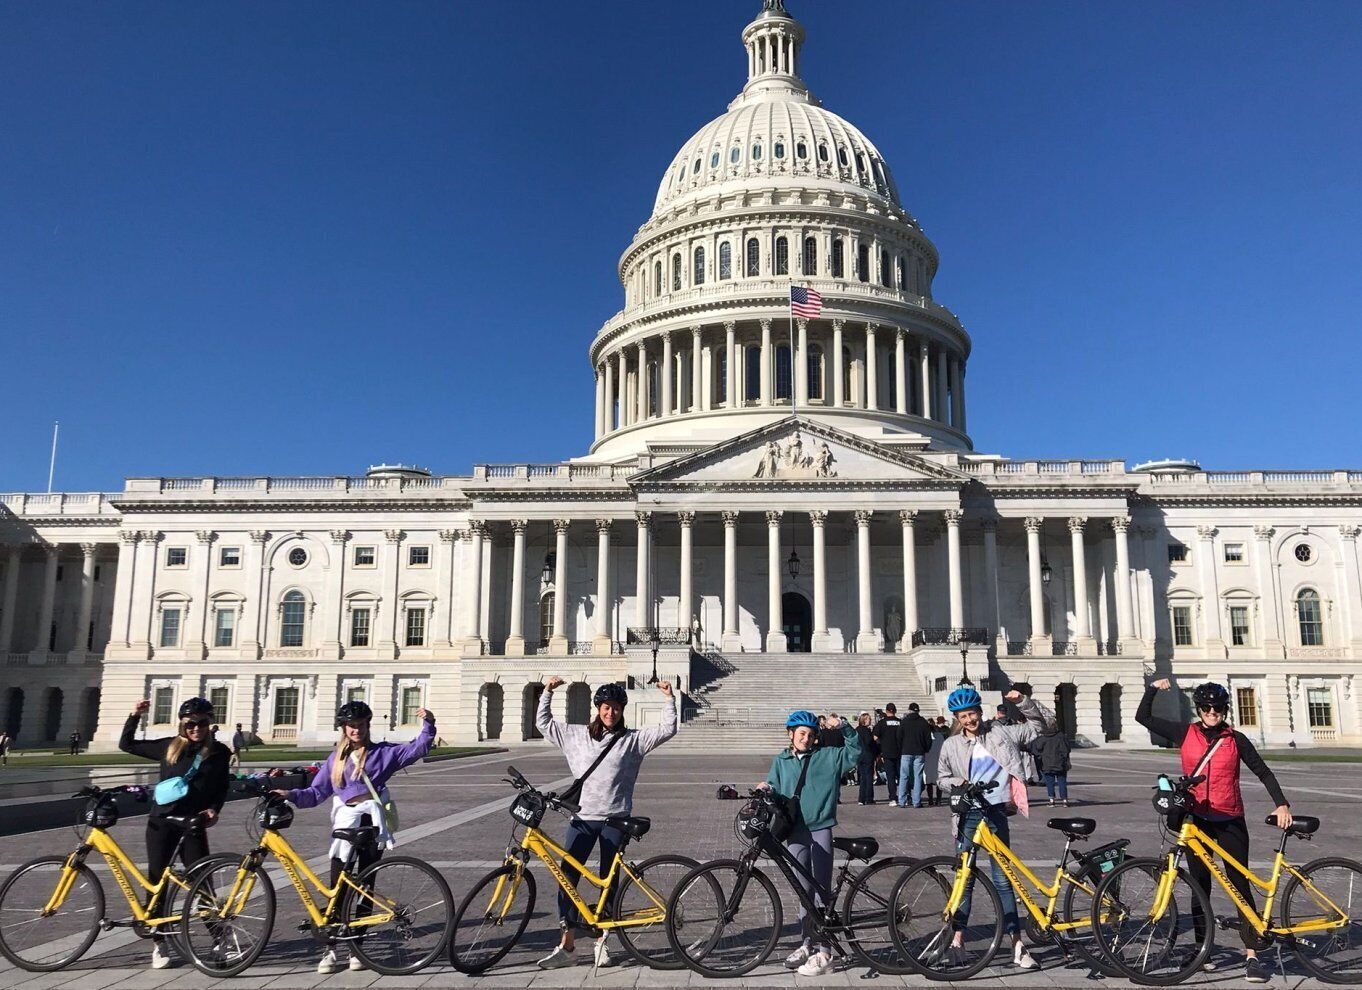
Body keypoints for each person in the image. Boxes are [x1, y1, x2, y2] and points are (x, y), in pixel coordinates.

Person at [1137, 678, 1291, 985]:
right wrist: (1153, 688)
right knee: (1199, 885)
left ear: (1225, 710)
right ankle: (1201, 950)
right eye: (1206, 707)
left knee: (1239, 883)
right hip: (1197, 818)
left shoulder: (1236, 739)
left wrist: (1281, 804)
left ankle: (1252, 954)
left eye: (1217, 708)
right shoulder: (1186, 732)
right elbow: (1144, 717)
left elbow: (1262, 770)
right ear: (1199, 709)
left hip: (1230, 817)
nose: (1212, 712)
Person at [274, 700, 435, 974]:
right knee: (338, 886)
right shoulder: (335, 760)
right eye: (351, 726)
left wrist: (428, 723)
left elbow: (417, 748)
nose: (356, 730)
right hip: (345, 826)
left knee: (364, 888)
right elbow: (316, 793)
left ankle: (357, 947)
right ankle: (331, 948)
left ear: (368, 726)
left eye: (360, 725)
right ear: (343, 729)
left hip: (370, 825)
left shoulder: (383, 754)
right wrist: (290, 796)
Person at [536, 677, 677, 970]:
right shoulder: (576, 735)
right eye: (605, 707)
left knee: (608, 881)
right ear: (597, 708)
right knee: (567, 881)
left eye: (614, 708)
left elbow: (667, 729)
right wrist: (548, 692)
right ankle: (568, 944)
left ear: (622, 710)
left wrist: (669, 699)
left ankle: (603, 942)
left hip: (616, 819)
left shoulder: (632, 740)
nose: (610, 712)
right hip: (583, 819)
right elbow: (545, 723)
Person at [934, 685, 1056, 970]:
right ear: (956, 718)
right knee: (964, 881)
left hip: (996, 812)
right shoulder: (951, 745)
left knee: (1003, 880)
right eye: (963, 716)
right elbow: (941, 777)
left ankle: (1017, 943)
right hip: (968, 816)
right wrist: (957, 785)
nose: (969, 720)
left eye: (972, 714)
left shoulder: (1002, 732)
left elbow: (1039, 726)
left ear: (980, 711)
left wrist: (1023, 702)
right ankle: (958, 939)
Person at [120, 697, 231, 970]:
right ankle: (159, 941)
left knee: (201, 881)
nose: (196, 728)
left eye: (202, 723)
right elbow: (127, 744)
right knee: (157, 879)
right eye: (191, 723)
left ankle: (219, 937)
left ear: (209, 724)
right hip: (161, 821)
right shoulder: (168, 746)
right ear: (183, 724)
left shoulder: (218, 752)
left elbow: (221, 787)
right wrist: (135, 715)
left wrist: (214, 809)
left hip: (192, 822)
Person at [766, 710, 861, 977]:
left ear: (816, 737)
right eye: (801, 734)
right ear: (790, 734)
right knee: (802, 889)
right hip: (795, 832)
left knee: (821, 889)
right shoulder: (782, 760)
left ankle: (826, 949)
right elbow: (774, 785)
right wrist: (766, 788)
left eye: (810, 735)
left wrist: (844, 727)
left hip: (820, 829)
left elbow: (855, 753)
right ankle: (806, 943)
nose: (806, 739)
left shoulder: (828, 757)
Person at [897, 702, 935, 809]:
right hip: (919, 752)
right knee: (918, 777)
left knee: (904, 776)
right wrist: (926, 749)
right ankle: (916, 801)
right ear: (918, 711)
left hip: (906, 751)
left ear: (909, 710)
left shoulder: (904, 721)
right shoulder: (923, 722)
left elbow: (898, 736)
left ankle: (902, 800)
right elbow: (928, 739)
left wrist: (902, 748)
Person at [1028, 721, 1072, 806]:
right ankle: (1065, 800)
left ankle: (1052, 800)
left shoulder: (1043, 738)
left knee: (1050, 782)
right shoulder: (1061, 737)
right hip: (1060, 763)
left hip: (1047, 763)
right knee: (1062, 782)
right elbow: (1066, 749)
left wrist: (1041, 755)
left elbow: (1037, 747)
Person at [872, 703, 902, 806]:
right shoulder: (900, 722)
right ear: (895, 711)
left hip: (887, 752)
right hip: (899, 752)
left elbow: (875, 737)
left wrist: (882, 742)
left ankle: (893, 798)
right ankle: (905, 796)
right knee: (902, 776)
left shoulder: (882, 723)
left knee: (891, 777)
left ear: (887, 711)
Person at [855, 712, 878, 805]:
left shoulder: (857, 730)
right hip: (868, 755)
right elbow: (869, 741)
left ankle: (861, 798)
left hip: (860, 755)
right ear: (865, 720)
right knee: (868, 777)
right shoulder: (866, 730)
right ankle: (869, 798)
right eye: (869, 719)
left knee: (862, 777)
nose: (870, 721)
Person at [923, 716, 947, 807]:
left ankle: (930, 799)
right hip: (938, 758)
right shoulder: (940, 736)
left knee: (929, 781)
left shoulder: (925, 736)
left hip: (928, 758)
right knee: (938, 780)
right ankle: (939, 800)